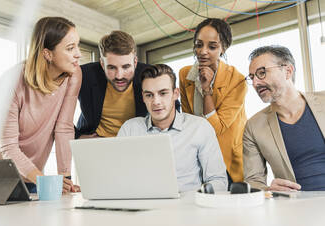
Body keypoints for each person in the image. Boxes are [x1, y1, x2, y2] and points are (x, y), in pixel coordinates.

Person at [0, 17, 82, 193]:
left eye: (77, 45)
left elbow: (63, 128)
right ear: (48, 54)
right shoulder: (11, 81)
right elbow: (8, 147)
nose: (78, 53)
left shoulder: (74, 74)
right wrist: (42, 179)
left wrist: (65, 179)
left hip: (33, 174)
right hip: (1, 171)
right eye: (70, 48)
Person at [118, 64, 227, 192]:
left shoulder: (199, 128)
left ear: (175, 94)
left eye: (163, 93)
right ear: (143, 97)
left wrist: (194, 198)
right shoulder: (129, 129)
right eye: (149, 95)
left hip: (188, 207)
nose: (156, 102)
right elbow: (117, 177)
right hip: (142, 206)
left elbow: (218, 180)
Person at [243, 45, 325, 191]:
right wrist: (269, 190)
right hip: (296, 207)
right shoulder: (253, 127)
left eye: (262, 73)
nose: (255, 83)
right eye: (252, 77)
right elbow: (253, 181)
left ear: (287, 71)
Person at [179, 18, 247, 184]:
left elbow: (217, 128)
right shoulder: (185, 75)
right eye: (199, 44)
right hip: (198, 159)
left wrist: (206, 89)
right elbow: (187, 121)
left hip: (227, 161)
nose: (203, 51)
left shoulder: (237, 81)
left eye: (212, 46)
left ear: (223, 49)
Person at [75, 31, 147, 138]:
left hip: (136, 141)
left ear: (135, 62)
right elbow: (56, 112)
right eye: (112, 67)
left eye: (126, 67)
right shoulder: (83, 75)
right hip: (96, 142)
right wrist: (78, 136)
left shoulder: (150, 74)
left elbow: (173, 107)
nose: (119, 76)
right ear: (102, 64)